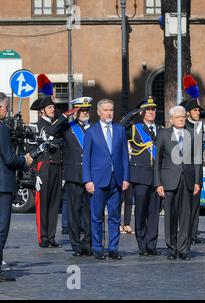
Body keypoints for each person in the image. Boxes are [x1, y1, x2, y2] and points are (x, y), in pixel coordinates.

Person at [83, 99, 130, 260]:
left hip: (116, 179)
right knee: (96, 216)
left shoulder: (120, 130)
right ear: (98, 112)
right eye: (106, 110)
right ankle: (97, 248)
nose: (109, 113)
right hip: (97, 180)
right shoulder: (91, 132)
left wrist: (126, 177)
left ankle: (113, 248)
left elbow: (124, 156)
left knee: (114, 216)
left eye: (111, 110)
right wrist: (87, 180)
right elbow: (86, 159)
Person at [154, 106, 202, 260]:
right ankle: (172, 247)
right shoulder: (163, 134)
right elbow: (157, 161)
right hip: (169, 180)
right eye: (178, 117)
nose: (181, 119)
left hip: (187, 179)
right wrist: (158, 183)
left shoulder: (192, 133)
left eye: (183, 116)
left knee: (186, 215)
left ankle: (183, 248)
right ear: (171, 119)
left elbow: (197, 160)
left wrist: (197, 181)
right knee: (171, 216)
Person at [47, 97, 93, 256]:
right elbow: (51, 131)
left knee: (89, 212)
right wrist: (66, 115)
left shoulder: (94, 128)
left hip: (90, 177)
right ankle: (76, 245)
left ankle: (88, 243)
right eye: (81, 109)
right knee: (74, 211)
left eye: (87, 109)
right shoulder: (68, 127)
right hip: (73, 176)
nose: (84, 112)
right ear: (75, 111)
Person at [121, 96, 163, 256]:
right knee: (140, 212)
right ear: (142, 112)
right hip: (140, 176)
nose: (152, 112)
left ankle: (151, 245)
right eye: (148, 110)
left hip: (157, 178)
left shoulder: (161, 129)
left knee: (154, 213)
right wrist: (132, 114)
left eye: (153, 109)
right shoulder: (134, 128)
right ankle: (142, 244)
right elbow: (119, 129)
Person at [0, 92, 33, 281]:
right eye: (6, 107)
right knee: (1, 228)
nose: (7, 111)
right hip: (3, 185)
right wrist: (25, 160)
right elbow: (10, 158)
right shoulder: (2, 128)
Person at [28, 96, 64, 248]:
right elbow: (30, 151)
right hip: (43, 166)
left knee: (55, 203)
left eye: (54, 107)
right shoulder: (35, 126)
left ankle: (51, 236)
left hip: (57, 166)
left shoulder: (59, 126)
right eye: (50, 107)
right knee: (42, 203)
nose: (53, 110)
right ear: (42, 110)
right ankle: (43, 236)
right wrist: (34, 173)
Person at [181, 75, 205, 246]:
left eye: (199, 110)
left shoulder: (199, 128)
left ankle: (193, 232)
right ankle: (186, 232)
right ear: (189, 112)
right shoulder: (185, 127)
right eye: (196, 110)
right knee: (187, 204)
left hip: (199, 168)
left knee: (196, 203)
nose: (199, 112)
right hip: (188, 168)